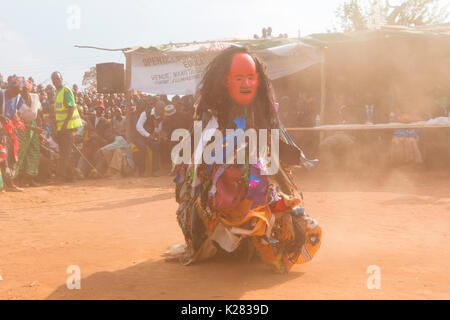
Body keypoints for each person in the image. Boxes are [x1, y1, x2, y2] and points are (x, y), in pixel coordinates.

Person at [165, 47, 321, 273]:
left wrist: (289, 161)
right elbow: (201, 138)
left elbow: (275, 136)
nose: (246, 83)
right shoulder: (211, 108)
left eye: (250, 77)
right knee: (214, 199)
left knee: (272, 195)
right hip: (219, 167)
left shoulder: (264, 106)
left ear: (258, 79)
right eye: (239, 78)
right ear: (225, 81)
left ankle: (261, 246)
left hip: (260, 166)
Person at [50, 71, 83, 182]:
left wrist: (64, 125)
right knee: (65, 152)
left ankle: (62, 177)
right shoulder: (57, 93)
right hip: (62, 128)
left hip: (68, 128)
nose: (55, 81)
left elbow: (72, 108)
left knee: (65, 153)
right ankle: (71, 176)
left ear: (62, 78)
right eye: (53, 79)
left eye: (57, 79)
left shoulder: (65, 91)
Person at [0, 75, 26, 191]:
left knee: (11, 157)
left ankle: (10, 183)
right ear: (9, 87)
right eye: (14, 91)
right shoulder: (1, 94)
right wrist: (1, 116)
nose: (15, 94)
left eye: (17, 92)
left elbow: (13, 114)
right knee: (3, 156)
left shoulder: (17, 98)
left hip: (9, 130)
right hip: (1, 130)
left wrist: (18, 122)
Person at [14, 80, 42, 187]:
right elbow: (16, 119)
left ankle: (30, 178)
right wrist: (32, 128)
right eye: (21, 90)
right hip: (22, 126)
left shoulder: (35, 97)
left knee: (34, 150)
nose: (23, 92)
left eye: (25, 89)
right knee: (21, 152)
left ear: (29, 89)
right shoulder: (17, 101)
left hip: (34, 126)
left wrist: (39, 126)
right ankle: (16, 178)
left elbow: (39, 113)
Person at [134, 100, 163, 177]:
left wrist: (156, 127)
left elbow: (158, 130)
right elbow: (138, 126)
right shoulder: (146, 113)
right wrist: (148, 135)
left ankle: (155, 170)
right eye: (161, 109)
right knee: (142, 148)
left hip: (150, 137)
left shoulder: (160, 117)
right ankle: (142, 171)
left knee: (156, 146)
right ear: (156, 108)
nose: (162, 111)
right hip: (139, 136)